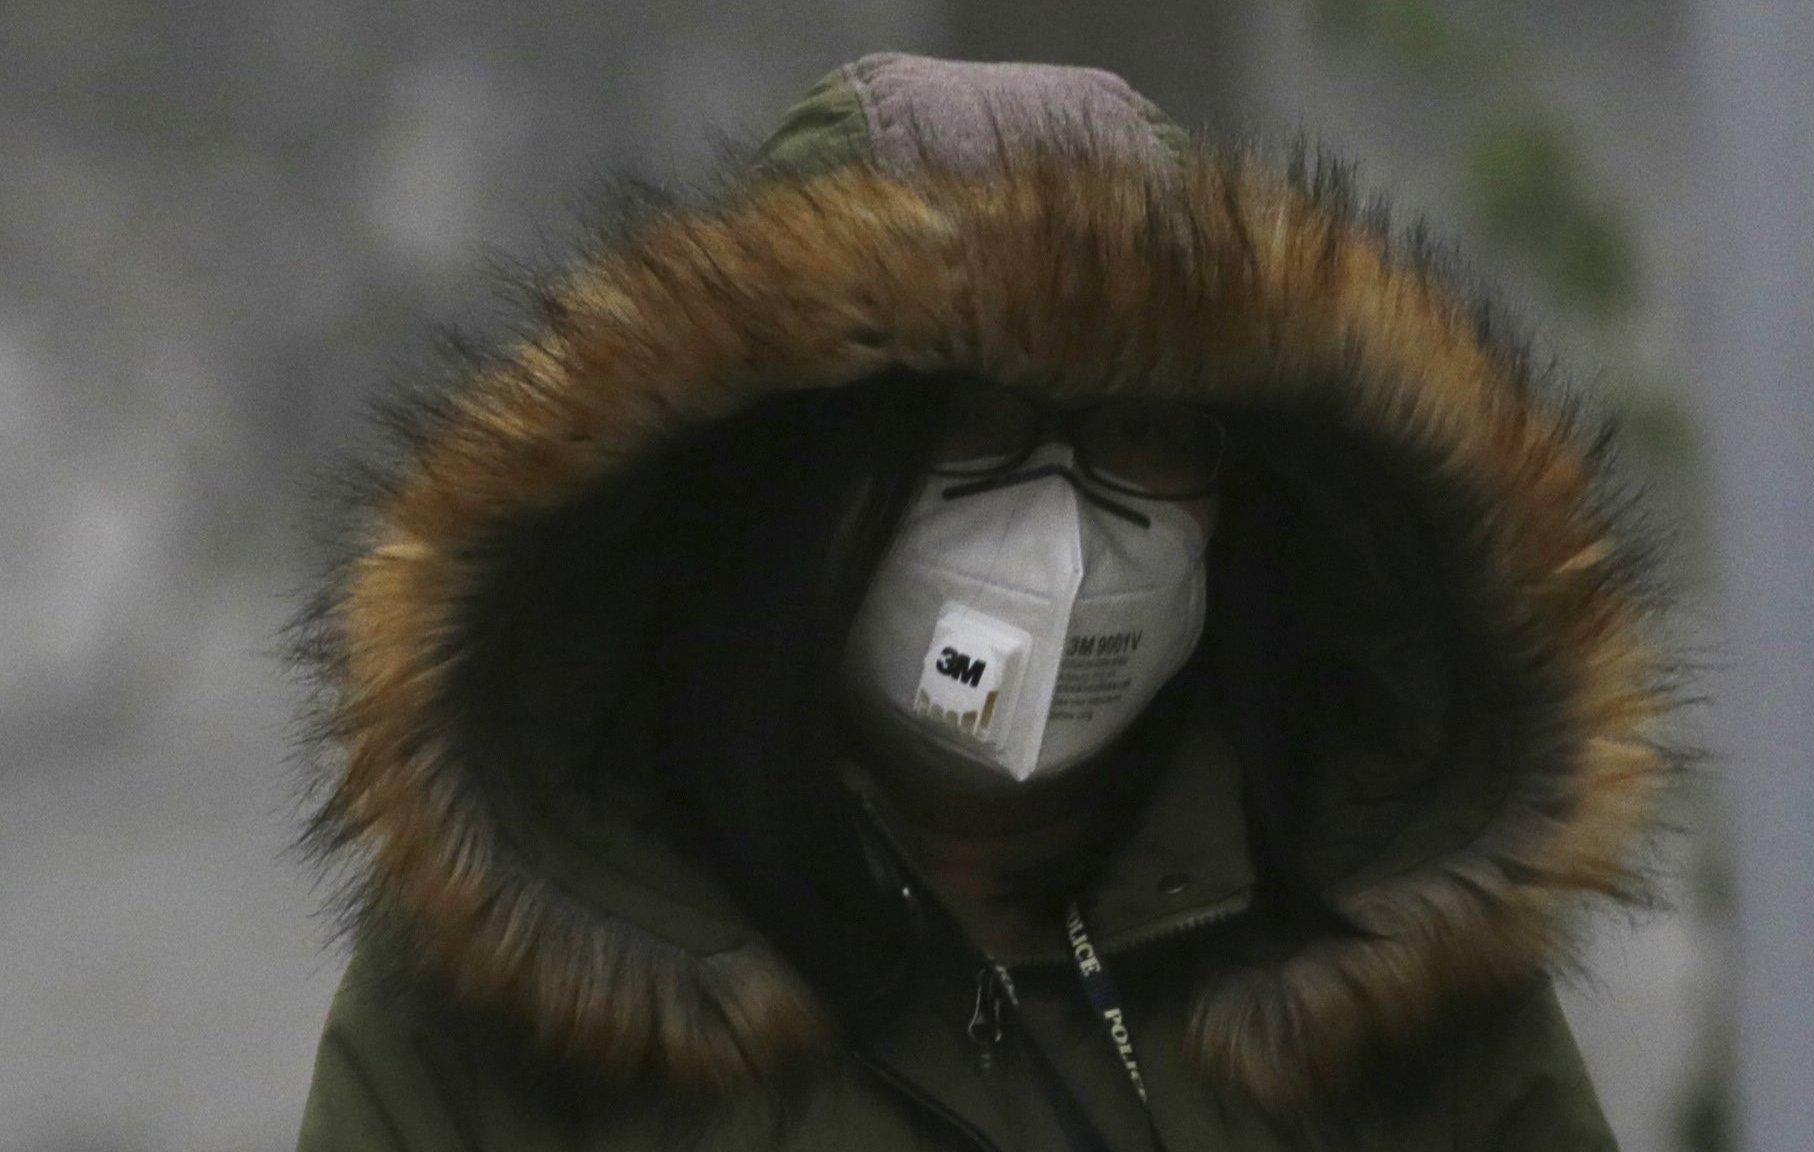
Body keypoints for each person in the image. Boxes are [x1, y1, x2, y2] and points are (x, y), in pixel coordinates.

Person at [290, 52, 1691, 1151]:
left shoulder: (1376, 959)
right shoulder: (529, 989)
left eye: (1145, 439)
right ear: (796, 483)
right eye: (975, 428)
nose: (1067, 532)